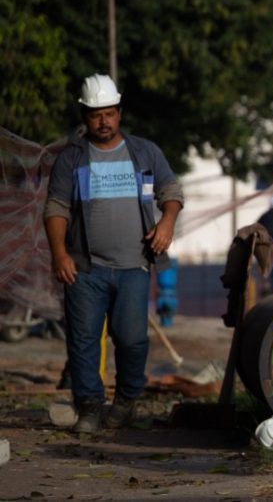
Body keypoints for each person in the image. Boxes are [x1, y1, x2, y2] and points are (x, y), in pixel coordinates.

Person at [44, 74, 183, 434]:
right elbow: (56, 207)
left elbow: (171, 190)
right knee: (84, 341)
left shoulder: (144, 152)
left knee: (133, 339)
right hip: (85, 270)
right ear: (85, 117)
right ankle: (89, 408)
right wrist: (60, 254)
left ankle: (125, 403)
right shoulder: (72, 159)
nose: (103, 122)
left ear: (119, 113)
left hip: (134, 267)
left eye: (109, 114)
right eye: (95, 115)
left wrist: (167, 221)